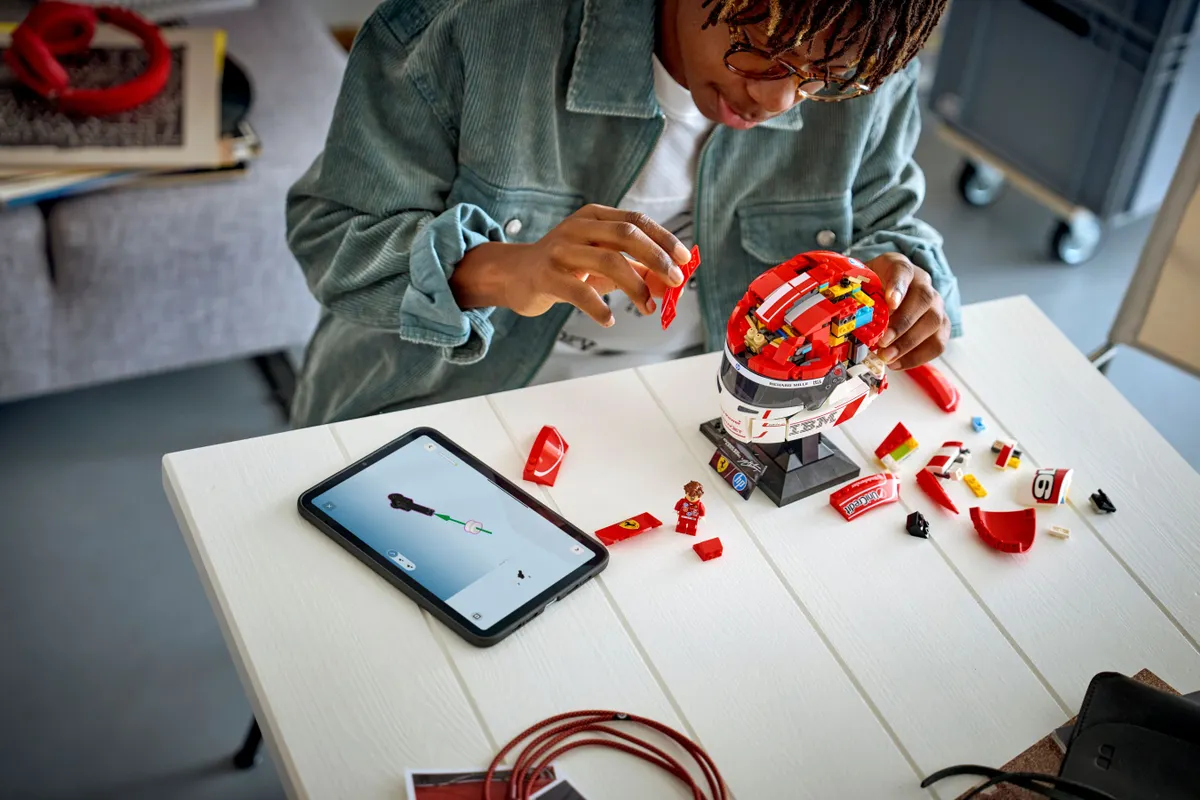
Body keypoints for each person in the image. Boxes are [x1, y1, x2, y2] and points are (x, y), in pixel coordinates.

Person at [286, 0, 961, 428]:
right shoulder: (468, 25)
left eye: (822, 79)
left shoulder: (859, 51)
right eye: (761, 47)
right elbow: (332, 235)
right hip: (443, 411)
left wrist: (910, 283)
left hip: (680, 422)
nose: (781, 100)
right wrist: (501, 271)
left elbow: (890, 222)